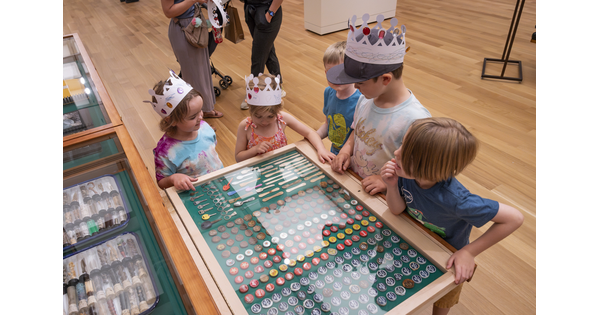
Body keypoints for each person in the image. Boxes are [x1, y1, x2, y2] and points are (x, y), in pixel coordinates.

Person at [380, 117, 524, 315]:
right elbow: (396, 210)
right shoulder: (407, 174)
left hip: (447, 254)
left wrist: (469, 252)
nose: (396, 152)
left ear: (429, 167)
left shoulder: (457, 200)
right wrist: (391, 186)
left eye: (408, 154)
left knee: (446, 295)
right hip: (417, 240)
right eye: (403, 144)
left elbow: (514, 218)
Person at [327, 14, 431, 195]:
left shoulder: (416, 120)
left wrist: (388, 182)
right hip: (355, 181)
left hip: (385, 196)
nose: (356, 87)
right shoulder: (365, 98)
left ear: (385, 79)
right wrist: (346, 150)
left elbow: (423, 174)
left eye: (360, 83)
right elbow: (357, 131)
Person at [146, 71, 224, 191]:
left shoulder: (205, 127)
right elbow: (161, 182)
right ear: (171, 120)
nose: (201, 117)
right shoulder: (166, 152)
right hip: (196, 195)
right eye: (193, 117)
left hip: (222, 183)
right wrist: (174, 178)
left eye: (201, 110)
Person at [235, 73, 335, 163]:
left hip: (282, 168)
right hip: (255, 173)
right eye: (258, 116)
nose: (264, 122)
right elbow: (238, 157)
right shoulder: (245, 127)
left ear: (278, 110)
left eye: (270, 117)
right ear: (249, 108)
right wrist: (255, 150)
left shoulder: (282, 120)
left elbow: (310, 133)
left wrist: (321, 149)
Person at [161, 0, 224, 119]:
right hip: (184, 29)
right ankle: (195, 118)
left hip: (195, 24)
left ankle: (204, 109)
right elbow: (168, 11)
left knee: (202, 71)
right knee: (192, 75)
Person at [316, 41, 362, 155]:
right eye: (332, 73)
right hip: (334, 151)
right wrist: (314, 137)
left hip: (352, 157)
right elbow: (327, 124)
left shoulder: (361, 99)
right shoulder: (328, 92)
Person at [239, 0, 285, 110]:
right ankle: (278, 86)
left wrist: (270, 13)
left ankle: (254, 93)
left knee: (258, 54)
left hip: (267, 11)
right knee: (266, 49)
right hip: (251, 10)